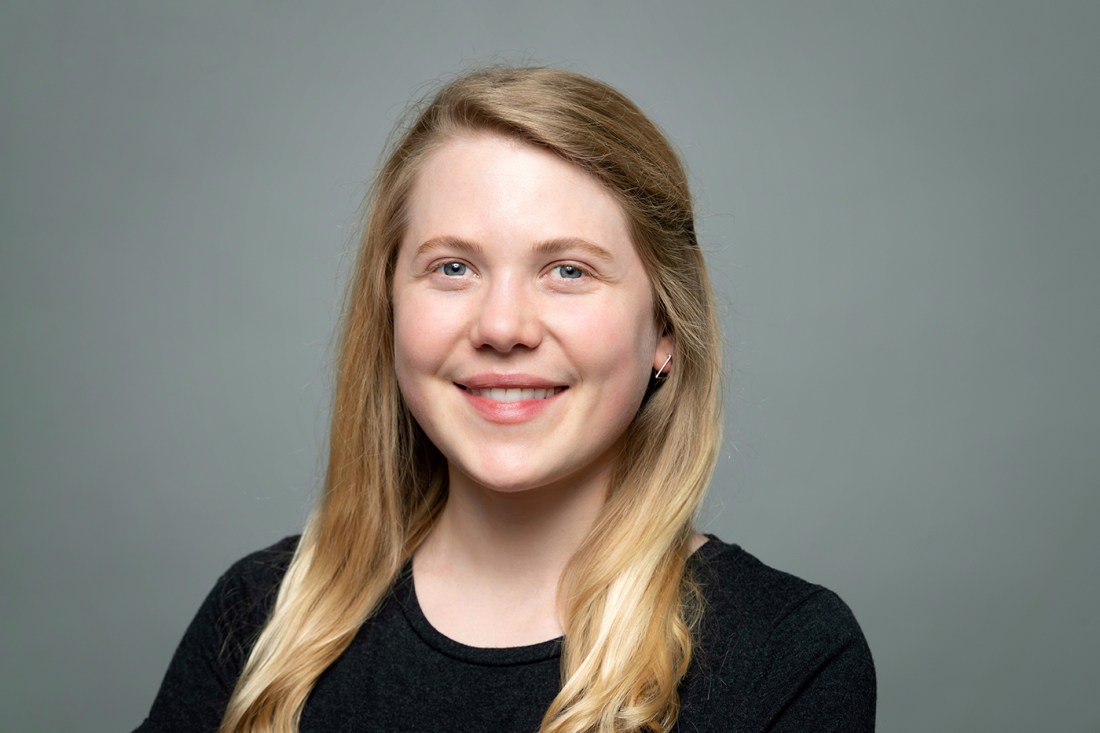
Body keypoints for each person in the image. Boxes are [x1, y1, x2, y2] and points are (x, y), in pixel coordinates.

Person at [135, 66, 875, 732]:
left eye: (568, 270)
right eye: (454, 267)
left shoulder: (788, 655)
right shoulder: (261, 617)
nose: (501, 327)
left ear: (666, 330)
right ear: (389, 309)